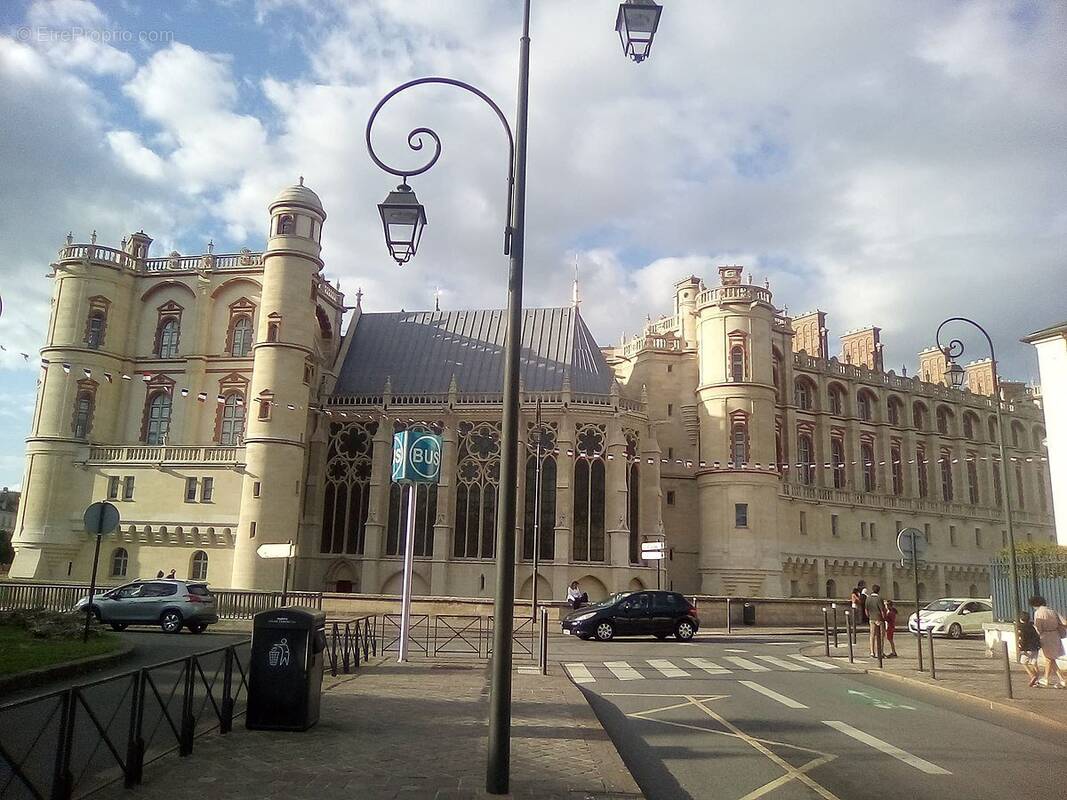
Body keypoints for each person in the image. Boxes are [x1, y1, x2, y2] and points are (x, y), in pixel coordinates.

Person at [1030, 595, 1066, 689]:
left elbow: (1038, 627)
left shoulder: (1038, 613)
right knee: (1051, 658)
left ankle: (1045, 678)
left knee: (1048, 658)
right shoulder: (1052, 611)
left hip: (1045, 635)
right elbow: (1064, 622)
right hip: (1055, 634)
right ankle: (1062, 679)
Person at [1015, 612, 1042, 688]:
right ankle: (1036, 681)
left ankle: (1032, 676)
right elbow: (1037, 636)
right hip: (1035, 647)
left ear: (1020, 619)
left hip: (1027, 648)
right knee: (1034, 663)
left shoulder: (1021, 627)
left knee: (1024, 662)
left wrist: (1021, 649)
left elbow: (1022, 639)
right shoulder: (1032, 626)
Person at [865, 584, 884, 658]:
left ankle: (872, 652)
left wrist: (869, 616)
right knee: (880, 636)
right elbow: (882, 610)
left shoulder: (868, 598)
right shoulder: (879, 598)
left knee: (872, 635)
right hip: (879, 619)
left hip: (871, 619)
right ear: (878, 591)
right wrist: (883, 617)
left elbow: (866, 610)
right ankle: (880, 652)